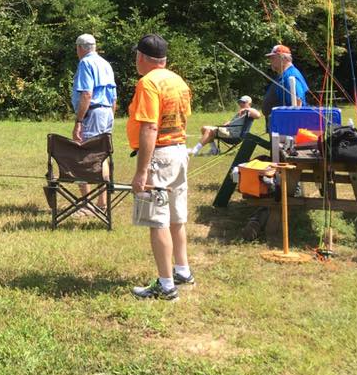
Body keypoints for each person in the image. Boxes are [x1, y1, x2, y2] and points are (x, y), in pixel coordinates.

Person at [127, 34, 193, 301]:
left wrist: (142, 172)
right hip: (178, 151)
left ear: (142, 58)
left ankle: (166, 286)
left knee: (158, 221)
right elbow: (183, 117)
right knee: (177, 218)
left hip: (160, 156)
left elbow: (150, 126)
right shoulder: (177, 80)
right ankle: (182, 271)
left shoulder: (148, 83)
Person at [71, 33, 117, 209]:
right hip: (107, 113)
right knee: (102, 155)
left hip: (93, 113)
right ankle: (102, 202)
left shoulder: (85, 63)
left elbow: (87, 94)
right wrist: (110, 116)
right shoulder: (106, 64)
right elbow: (113, 97)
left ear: (80, 48)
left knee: (85, 155)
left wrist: (79, 121)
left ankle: (86, 203)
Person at [190, 95, 262, 156]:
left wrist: (246, 109)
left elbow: (258, 115)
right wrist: (229, 123)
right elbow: (236, 121)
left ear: (249, 103)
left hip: (234, 135)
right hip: (228, 130)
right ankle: (214, 150)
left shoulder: (249, 111)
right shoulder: (241, 111)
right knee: (204, 128)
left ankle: (195, 150)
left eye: (243, 102)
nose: (241, 104)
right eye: (240, 102)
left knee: (209, 130)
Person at [261, 44, 309, 124]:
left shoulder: (291, 75)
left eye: (273, 58)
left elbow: (297, 101)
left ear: (282, 58)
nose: (270, 61)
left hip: (287, 128)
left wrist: (291, 127)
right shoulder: (283, 75)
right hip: (279, 125)